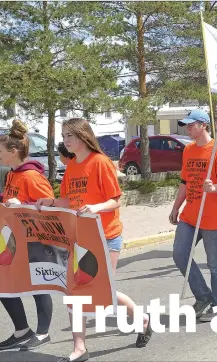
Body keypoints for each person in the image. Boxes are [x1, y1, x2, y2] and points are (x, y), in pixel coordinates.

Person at [35, 118, 151, 362]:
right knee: (76, 291)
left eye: (70, 135)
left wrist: (96, 207)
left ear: (83, 136)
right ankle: (80, 348)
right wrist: (51, 202)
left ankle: (141, 319)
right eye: (64, 136)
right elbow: (69, 200)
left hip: (106, 237)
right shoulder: (72, 166)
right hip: (80, 239)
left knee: (102, 291)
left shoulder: (100, 163)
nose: (66, 140)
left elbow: (115, 200)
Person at [0, 120, 55, 351]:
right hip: (14, 240)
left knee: (39, 286)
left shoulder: (32, 176)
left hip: (35, 241)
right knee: (3, 283)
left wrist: (24, 204)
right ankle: (22, 330)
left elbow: (49, 206)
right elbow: (9, 197)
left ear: (13, 152)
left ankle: (43, 333)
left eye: (0, 151)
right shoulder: (13, 173)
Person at [168, 109, 217, 322]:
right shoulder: (188, 150)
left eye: (191, 125)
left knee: (215, 262)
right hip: (190, 214)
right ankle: (203, 296)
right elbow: (185, 182)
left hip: (214, 217)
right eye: (186, 125)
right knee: (180, 254)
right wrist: (175, 207)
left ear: (203, 125)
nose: (187, 128)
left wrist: (214, 188)